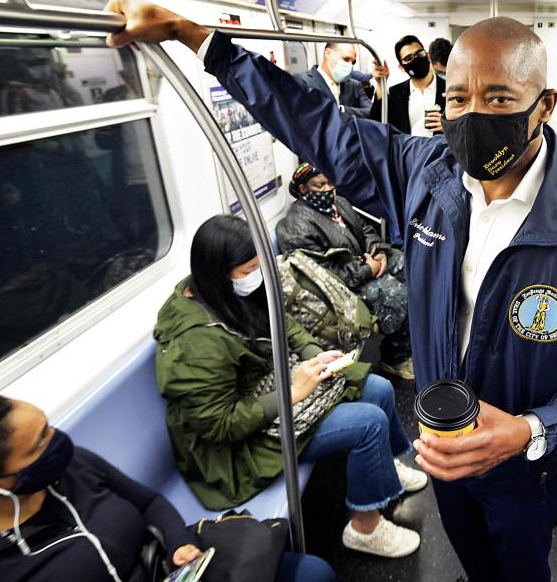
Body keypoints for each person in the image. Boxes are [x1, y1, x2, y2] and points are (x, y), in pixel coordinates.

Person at [105, 0, 557, 582]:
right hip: (441, 441)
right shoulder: (426, 177)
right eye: (458, 99)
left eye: (499, 98)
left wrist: (532, 432)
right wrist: (195, 36)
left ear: (544, 106)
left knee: (519, 566)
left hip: (528, 469)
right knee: (472, 556)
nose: (473, 114)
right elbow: (317, 124)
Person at [154, 215, 426, 557]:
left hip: (269, 390)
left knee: (379, 390)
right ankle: (365, 528)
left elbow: (283, 323)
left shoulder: (225, 292)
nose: (256, 276)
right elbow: (219, 427)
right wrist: (293, 393)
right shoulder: (195, 345)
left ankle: (385, 469)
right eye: (248, 269)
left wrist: (314, 353)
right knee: (369, 424)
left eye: (258, 266)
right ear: (219, 273)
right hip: (235, 450)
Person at [0, 395, 336, 582]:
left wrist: (179, 543)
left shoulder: (73, 465)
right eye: (39, 443)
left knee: (312, 573)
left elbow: (148, 501)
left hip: (163, 567)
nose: (57, 441)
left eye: (48, 427)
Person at [277, 162, 413, 380]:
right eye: (319, 185)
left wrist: (377, 252)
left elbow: (366, 230)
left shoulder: (339, 203)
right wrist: (367, 270)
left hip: (365, 263)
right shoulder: (295, 226)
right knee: (396, 296)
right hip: (341, 287)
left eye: (330, 183)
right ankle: (394, 357)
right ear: (303, 189)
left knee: (410, 266)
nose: (327, 190)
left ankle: (408, 337)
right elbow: (322, 274)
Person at [369, 35, 446, 136]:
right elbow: (377, 123)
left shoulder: (449, 89)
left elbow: (467, 125)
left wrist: (449, 128)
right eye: (409, 58)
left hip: (442, 150)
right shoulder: (396, 93)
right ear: (401, 67)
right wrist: (380, 83)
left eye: (420, 53)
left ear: (428, 56)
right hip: (408, 150)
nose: (416, 59)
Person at [296, 43, 373, 120]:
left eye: (353, 63)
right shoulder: (302, 82)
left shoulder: (354, 85)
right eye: (346, 59)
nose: (350, 66)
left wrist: (342, 110)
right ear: (328, 53)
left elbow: (371, 112)